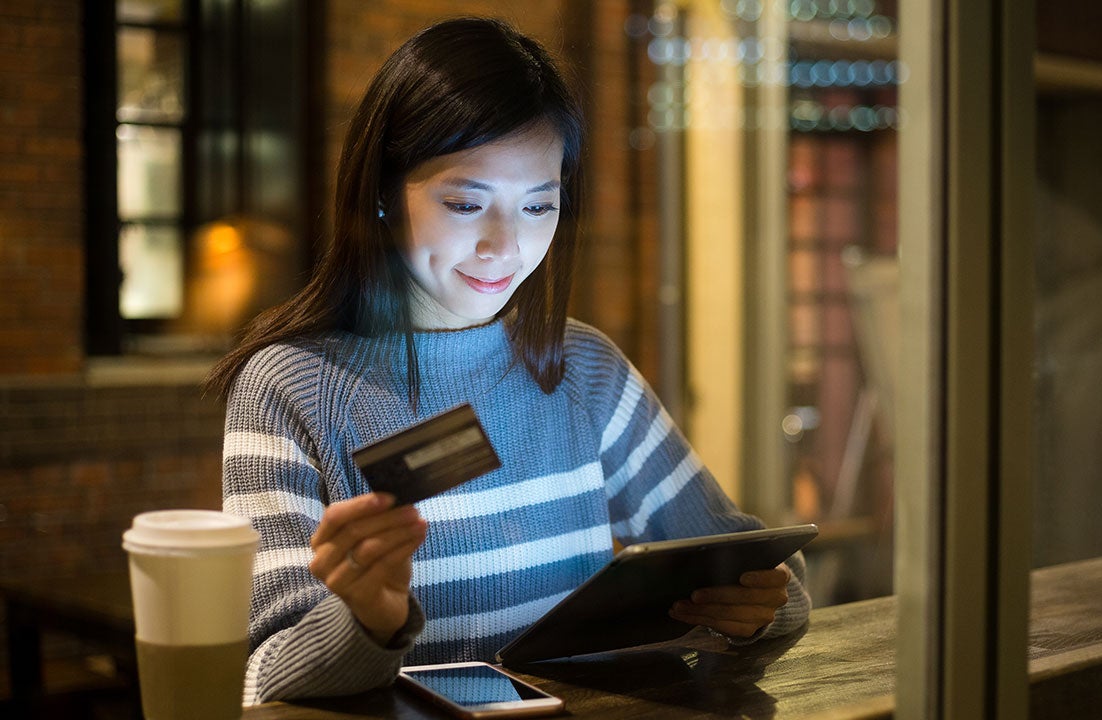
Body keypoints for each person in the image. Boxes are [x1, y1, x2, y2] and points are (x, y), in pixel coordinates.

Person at [206, 16, 811, 705]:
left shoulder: (582, 368)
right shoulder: (290, 388)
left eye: (537, 205)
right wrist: (370, 621)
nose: (505, 245)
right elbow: (263, 680)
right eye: (466, 203)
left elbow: (764, 568)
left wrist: (758, 609)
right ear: (381, 191)